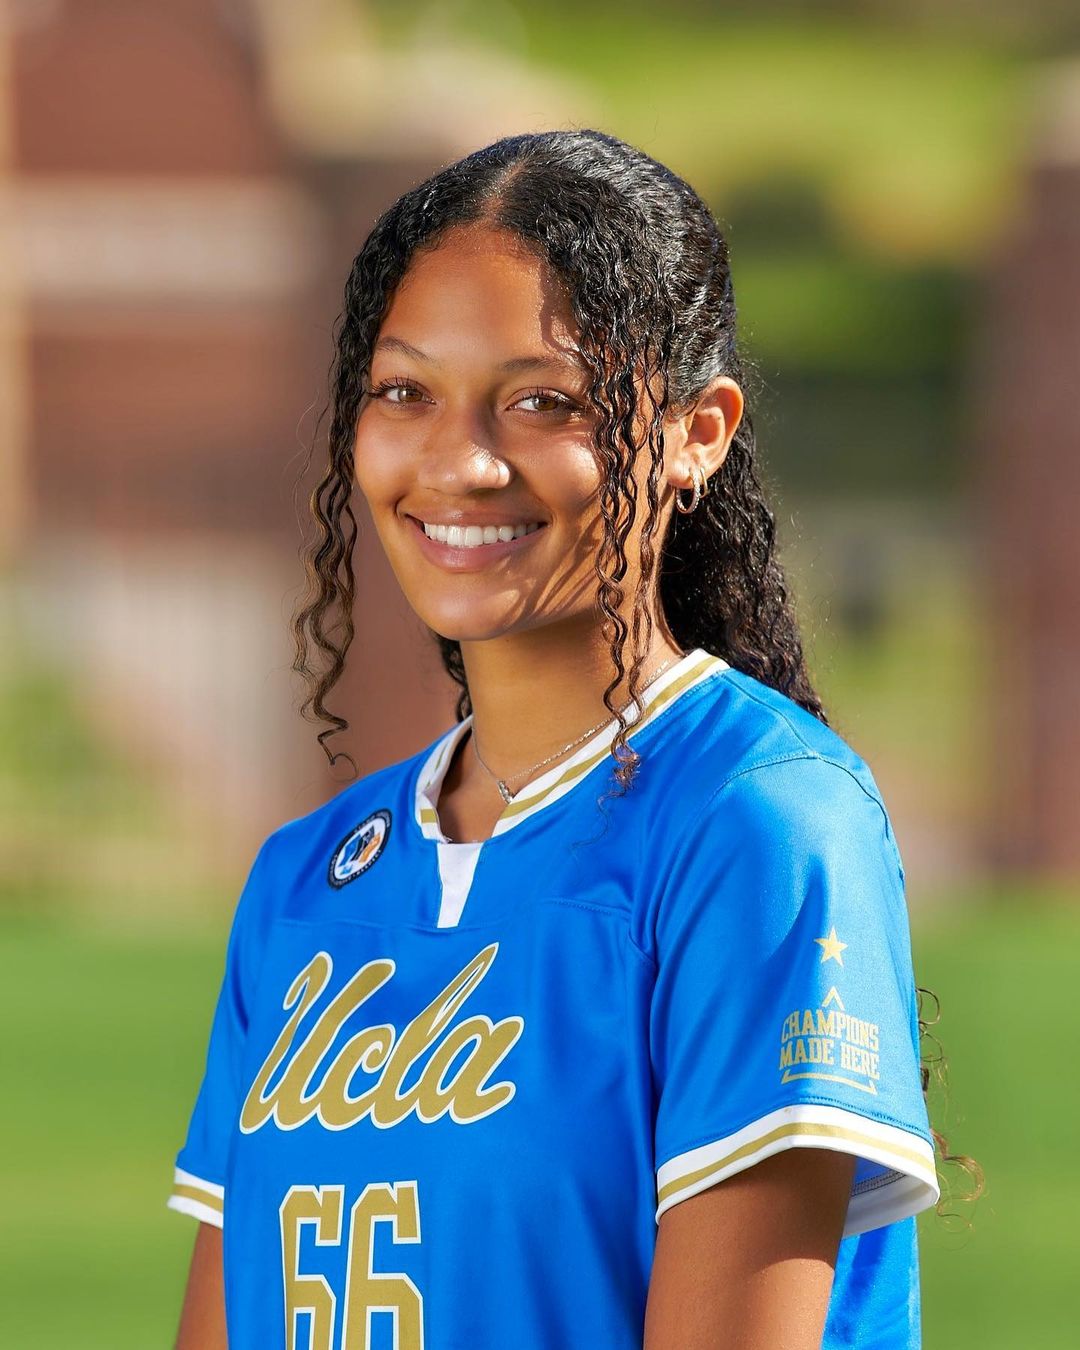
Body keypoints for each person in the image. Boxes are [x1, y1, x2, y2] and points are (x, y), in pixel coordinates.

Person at [168, 129, 952, 1349]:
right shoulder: (303, 881)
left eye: (544, 402)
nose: (460, 463)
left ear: (698, 432)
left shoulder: (758, 822)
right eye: (404, 392)